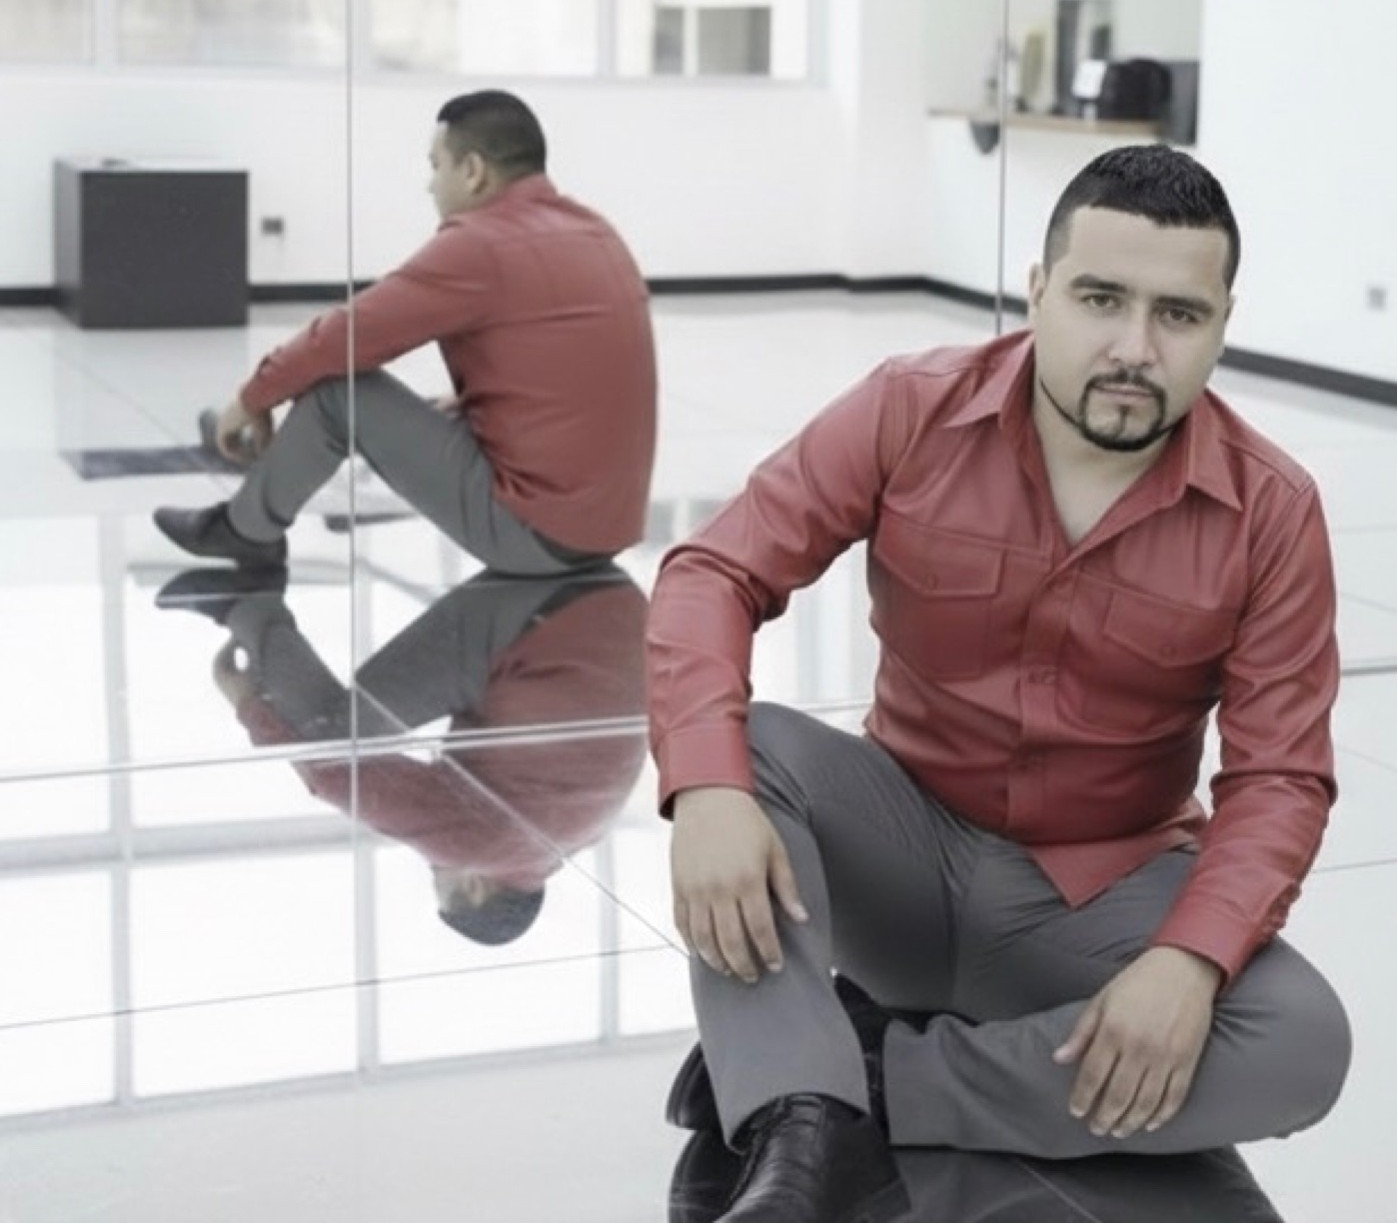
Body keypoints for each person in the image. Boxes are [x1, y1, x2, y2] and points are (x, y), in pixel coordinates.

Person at [646, 146, 1351, 1223]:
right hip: (900, 863)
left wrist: (1188, 962)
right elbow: (714, 572)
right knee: (757, 752)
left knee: (1302, 1041)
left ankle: (848, 1082)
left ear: (1222, 324)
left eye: (1178, 315)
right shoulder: (910, 408)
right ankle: (801, 1133)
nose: (1135, 348)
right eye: (1101, 299)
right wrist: (705, 788)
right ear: (1037, 291)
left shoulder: (1274, 511)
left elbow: (1281, 779)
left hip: (1098, 902)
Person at [153, 89, 657, 588]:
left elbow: (343, 338)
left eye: (436, 166)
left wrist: (252, 396)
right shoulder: (596, 232)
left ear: (473, 171)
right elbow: (571, 375)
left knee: (339, 393)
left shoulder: (479, 244)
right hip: (608, 525)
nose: (430, 185)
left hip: (539, 536)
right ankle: (266, 468)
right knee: (424, 407)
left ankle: (246, 530)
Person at [160, 559, 648, 942]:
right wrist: (249, 705)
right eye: (439, 876)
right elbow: (334, 775)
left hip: (608, 597)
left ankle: (248, 598)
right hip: (541, 623)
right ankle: (246, 602)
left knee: (365, 729)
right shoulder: (485, 848)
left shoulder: (580, 833)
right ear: (476, 887)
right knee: (335, 740)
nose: (433, 860)